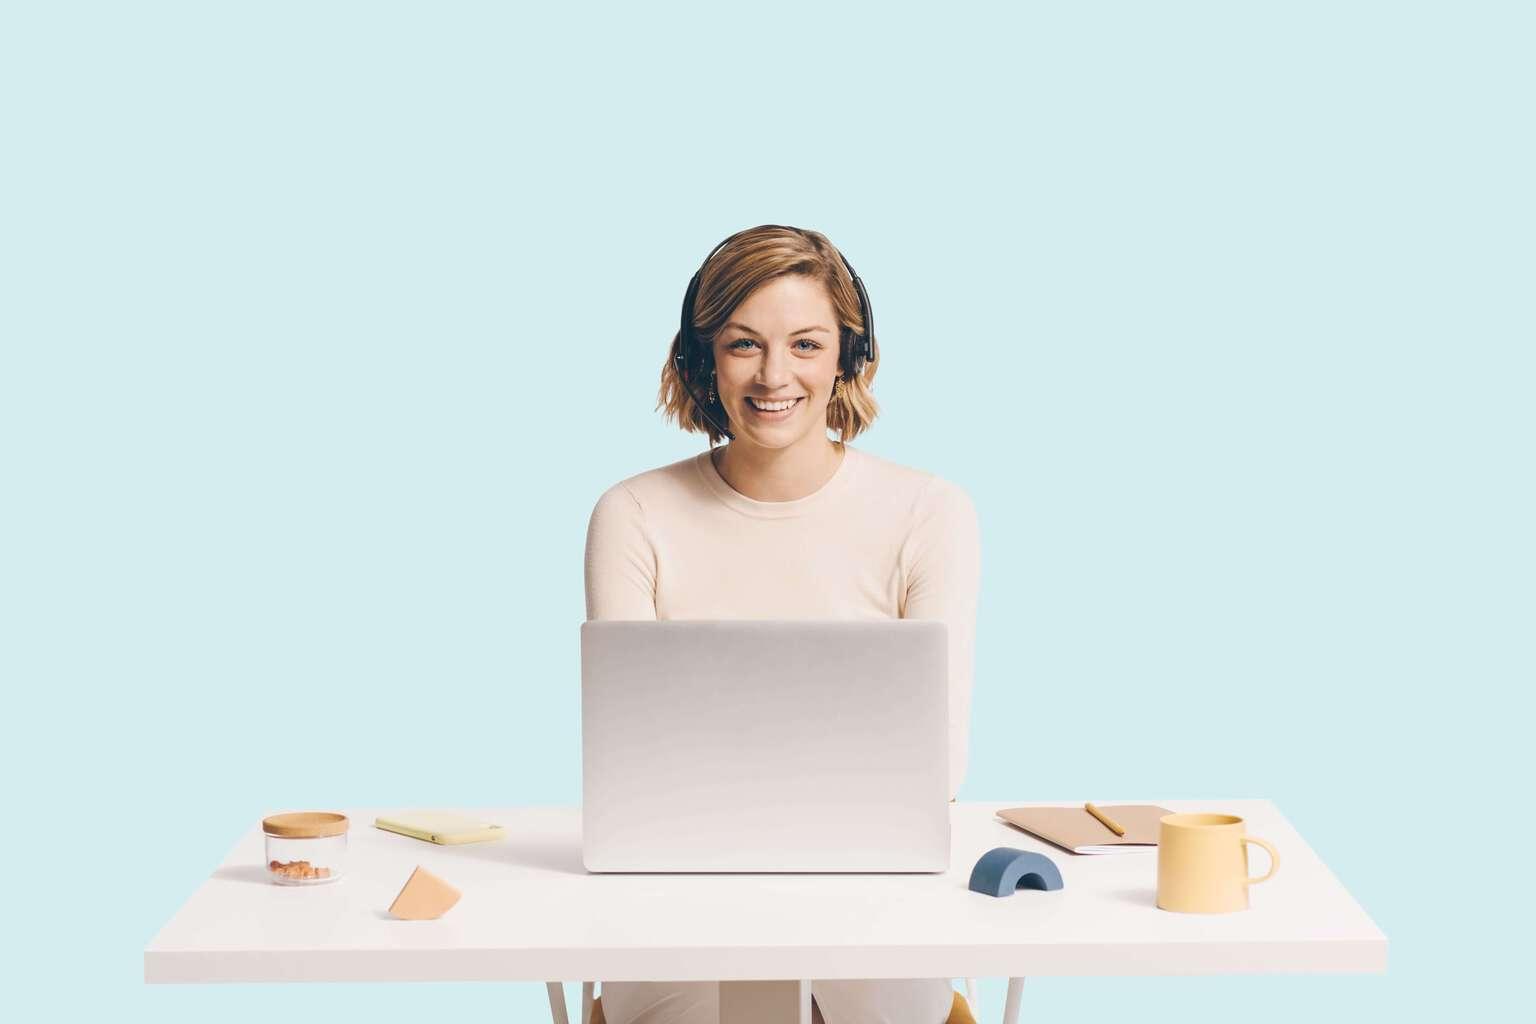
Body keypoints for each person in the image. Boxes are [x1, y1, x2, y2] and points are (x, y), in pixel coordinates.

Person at [583, 224, 981, 1024]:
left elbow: (937, 766)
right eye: (742, 345)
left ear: (848, 357)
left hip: (871, 898)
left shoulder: (929, 512)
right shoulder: (632, 514)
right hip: (678, 900)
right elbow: (633, 770)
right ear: (702, 361)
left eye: (805, 343)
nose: (774, 376)